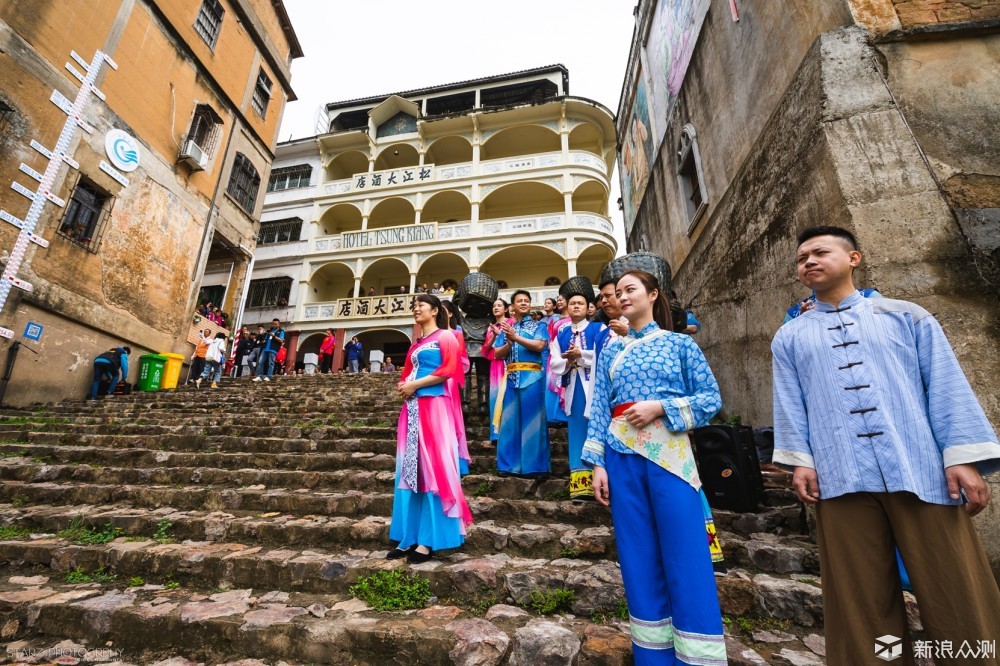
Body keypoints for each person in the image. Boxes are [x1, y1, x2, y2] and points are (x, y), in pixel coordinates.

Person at [772, 225, 1000, 663]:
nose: (808, 262)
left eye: (819, 252)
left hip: (922, 471)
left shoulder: (906, 316)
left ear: (854, 258)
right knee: (860, 603)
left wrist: (962, 457)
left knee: (957, 589)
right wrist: (800, 461)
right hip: (840, 479)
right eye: (802, 258)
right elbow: (789, 403)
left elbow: (945, 385)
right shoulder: (790, 337)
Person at [584, 270, 726, 664]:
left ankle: (698, 657)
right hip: (620, 456)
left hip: (670, 458)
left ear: (652, 294)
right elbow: (598, 408)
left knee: (686, 551)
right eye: (617, 292)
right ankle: (653, 657)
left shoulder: (680, 344)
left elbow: (710, 398)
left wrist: (661, 407)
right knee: (636, 555)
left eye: (632, 290)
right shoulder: (611, 350)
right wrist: (597, 463)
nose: (623, 297)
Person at [386, 293, 473, 563]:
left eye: (420, 305)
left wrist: (415, 385)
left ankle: (428, 540)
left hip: (435, 407)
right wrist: (406, 386)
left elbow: (449, 370)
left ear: (435, 310)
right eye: (414, 306)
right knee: (410, 472)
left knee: (433, 470)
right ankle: (407, 537)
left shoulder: (445, 337)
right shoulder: (416, 344)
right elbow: (406, 376)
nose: (416, 309)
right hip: (411, 410)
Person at [550, 286, 604, 500]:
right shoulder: (561, 334)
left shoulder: (599, 329)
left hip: (594, 385)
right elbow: (554, 361)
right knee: (577, 431)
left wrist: (581, 354)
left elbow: (605, 354)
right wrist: (568, 360)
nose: (576, 306)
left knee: (596, 429)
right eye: (572, 303)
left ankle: (602, 480)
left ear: (589, 308)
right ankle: (581, 487)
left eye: (580, 303)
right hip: (573, 385)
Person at [493, 290, 550, 478]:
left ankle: (536, 467)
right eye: (520, 301)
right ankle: (508, 466)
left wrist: (515, 338)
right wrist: (509, 343)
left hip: (533, 377)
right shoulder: (505, 329)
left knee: (533, 422)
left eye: (527, 301)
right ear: (513, 307)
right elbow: (497, 354)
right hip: (510, 378)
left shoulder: (539, 326)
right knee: (509, 423)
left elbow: (540, 346)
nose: (524, 303)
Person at [440, 299, 471, 474]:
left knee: (450, 418)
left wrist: (449, 368)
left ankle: (453, 459)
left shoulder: (456, 334)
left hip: (449, 380)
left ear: (451, 313)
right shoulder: (430, 334)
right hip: (431, 379)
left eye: (444, 310)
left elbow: (463, 360)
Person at [483, 298, 511, 444]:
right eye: (494, 306)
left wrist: (500, 333)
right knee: (495, 397)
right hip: (495, 366)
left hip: (508, 364)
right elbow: (486, 349)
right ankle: (496, 434)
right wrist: (494, 334)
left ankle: (508, 432)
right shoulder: (490, 327)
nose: (496, 308)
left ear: (506, 309)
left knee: (507, 397)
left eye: (499, 305)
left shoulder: (511, 323)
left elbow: (511, 343)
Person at [545, 294, 571, 426]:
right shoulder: (554, 321)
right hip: (553, 355)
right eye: (558, 300)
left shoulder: (573, 319)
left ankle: (563, 415)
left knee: (563, 384)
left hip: (567, 356)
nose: (559, 302)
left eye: (562, 299)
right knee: (552, 385)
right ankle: (552, 416)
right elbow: (549, 337)